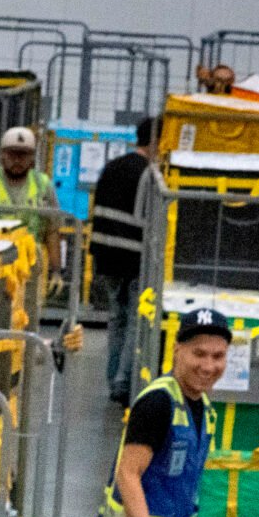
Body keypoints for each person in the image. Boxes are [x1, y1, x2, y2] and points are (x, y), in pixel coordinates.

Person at [98, 305, 232, 517]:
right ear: (176, 350)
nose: (208, 366)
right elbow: (128, 472)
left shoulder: (204, 410)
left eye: (218, 356)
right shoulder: (158, 402)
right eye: (199, 354)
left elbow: (175, 485)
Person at [89, 118, 156, 406]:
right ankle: (122, 382)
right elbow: (150, 219)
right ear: (156, 141)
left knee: (116, 319)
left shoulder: (112, 166)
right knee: (135, 321)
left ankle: (112, 377)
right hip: (134, 257)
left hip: (105, 256)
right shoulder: (151, 174)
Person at [0, 125, 61, 247]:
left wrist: (55, 267)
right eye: (12, 154)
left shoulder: (43, 184)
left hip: (31, 261)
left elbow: (52, 232)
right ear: (2, 155)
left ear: (32, 158)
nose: (17, 160)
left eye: (23, 155)